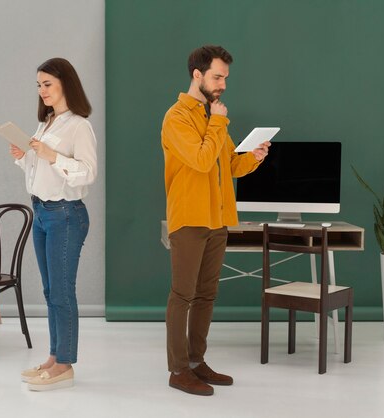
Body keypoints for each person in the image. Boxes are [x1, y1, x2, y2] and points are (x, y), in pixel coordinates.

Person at [161, 45, 270, 396]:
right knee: (183, 295)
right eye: (217, 76)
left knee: (207, 295)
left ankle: (196, 362)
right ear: (198, 74)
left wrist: (253, 157)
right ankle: (178, 370)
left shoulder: (212, 117)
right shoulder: (177, 117)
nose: (222, 84)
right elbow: (201, 159)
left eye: (225, 78)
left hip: (218, 219)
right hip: (190, 219)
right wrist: (219, 121)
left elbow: (227, 165)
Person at [11, 57, 97, 391]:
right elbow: (40, 171)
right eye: (38, 85)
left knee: (62, 292)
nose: (42, 90)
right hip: (42, 213)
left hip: (66, 215)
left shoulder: (79, 125)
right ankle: (53, 356)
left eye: (47, 83)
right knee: (50, 292)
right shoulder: (46, 123)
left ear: (65, 84)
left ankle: (65, 364)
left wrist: (52, 156)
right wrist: (24, 158)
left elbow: (87, 173)